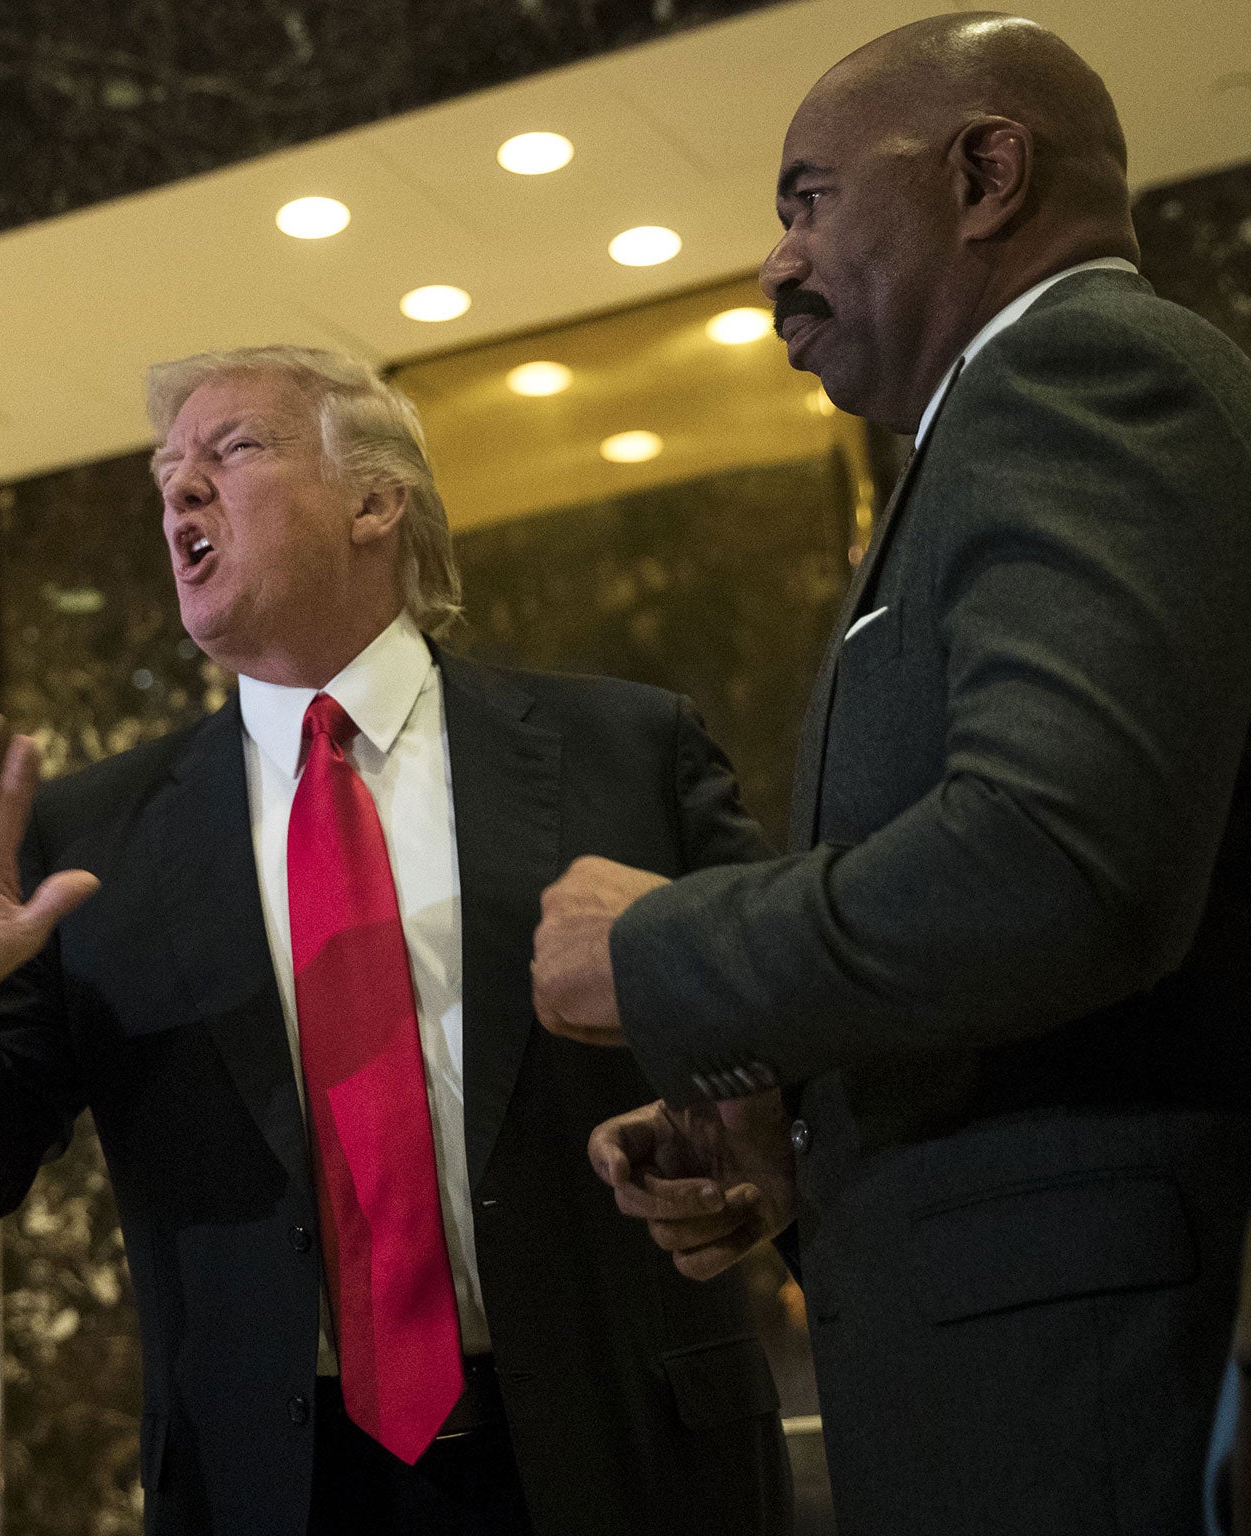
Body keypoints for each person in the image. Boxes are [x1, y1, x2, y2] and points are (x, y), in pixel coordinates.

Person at [0, 346, 792, 1535]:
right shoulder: (95, 837)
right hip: (274, 1489)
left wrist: (748, 1136)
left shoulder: (623, 751)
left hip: (626, 1456)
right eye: (164, 473)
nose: (177, 491)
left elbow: (792, 1026)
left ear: (374, 499)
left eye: (230, 450)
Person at [529, 14, 1251, 1535]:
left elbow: (1060, 866)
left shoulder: (1081, 374)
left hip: (1090, 1376)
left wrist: (662, 951)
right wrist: (799, 1134)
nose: (776, 266)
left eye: (810, 201)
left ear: (987, 172)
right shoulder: (1002, 424)